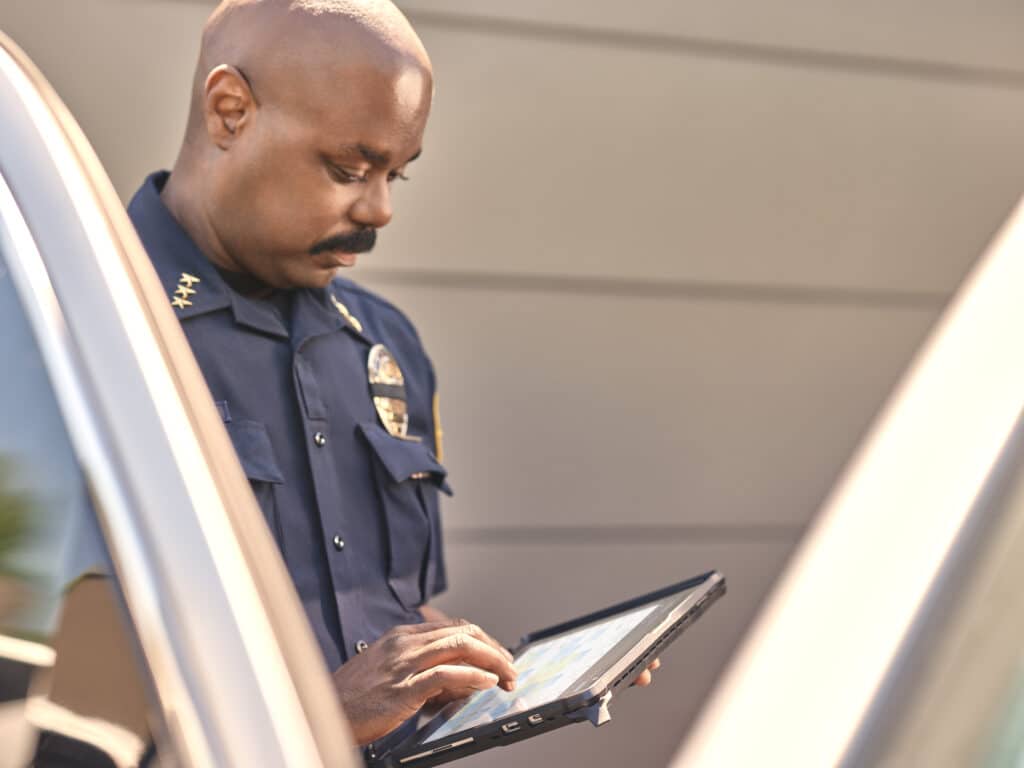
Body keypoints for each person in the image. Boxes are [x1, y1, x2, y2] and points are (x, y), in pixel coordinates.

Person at [126, 0, 656, 753]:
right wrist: (319, 718)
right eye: (348, 169)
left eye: (395, 176)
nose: (377, 211)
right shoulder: (78, 325)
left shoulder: (384, 344)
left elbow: (387, 614)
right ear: (230, 111)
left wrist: (485, 673)